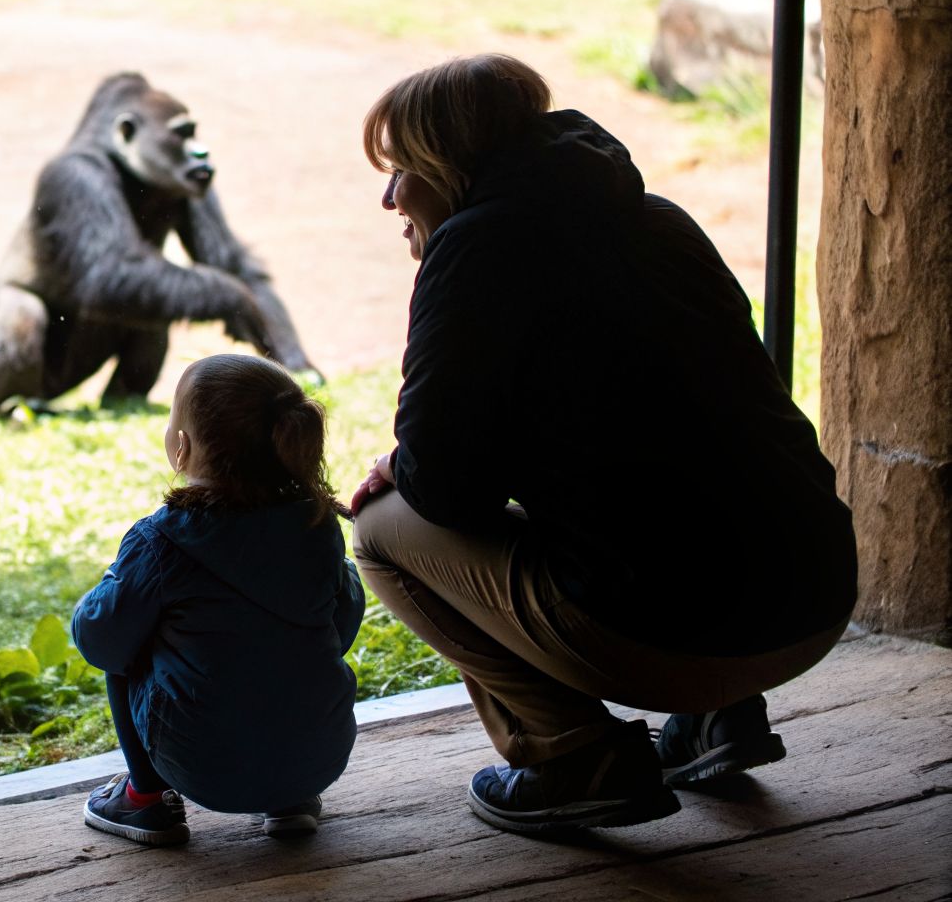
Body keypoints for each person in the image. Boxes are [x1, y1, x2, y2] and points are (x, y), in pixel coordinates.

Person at [348, 53, 858, 834]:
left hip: (681, 636)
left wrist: (400, 468)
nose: (390, 199)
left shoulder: (476, 252)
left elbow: (445, 489)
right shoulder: (657, 219)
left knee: (384, 527)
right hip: (817, 595)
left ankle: (573, 755)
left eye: (401, 170)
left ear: (449, 164)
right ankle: (720, 721)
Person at [71, 354, 364, 845]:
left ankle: (145, 800)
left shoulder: (160, 541)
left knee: (128, 638)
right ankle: (289, 800)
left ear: (181, 447)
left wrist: (96, 599)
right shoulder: (317, 526)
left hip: (200, 764)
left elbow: (102, 641)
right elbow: (344, 619)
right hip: (319, 757)